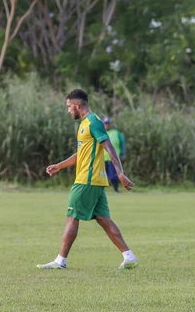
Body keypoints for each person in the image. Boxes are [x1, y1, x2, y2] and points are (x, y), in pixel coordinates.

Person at [37, 89, 139, 270]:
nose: (68, 110)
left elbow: (109, 148)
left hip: (87, 179)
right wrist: (59, 165)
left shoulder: (93, 122)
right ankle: (129, 256)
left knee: (71, 217)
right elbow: (82, 153)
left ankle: (60, 261)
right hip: (95, 181)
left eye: (69, 107)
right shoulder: (85, 123)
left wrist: (120, 173)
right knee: (103, 219)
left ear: (77, 105)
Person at [102, 117, 126, 192]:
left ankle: (116, 189)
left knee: (114, 176)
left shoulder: (116, 133)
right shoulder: (100, 132)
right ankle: (100, 190)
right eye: (105, 124)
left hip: (113, 158)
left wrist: (122, 153)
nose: (107, 125)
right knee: (101, 175)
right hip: (102, 158)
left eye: (108, 123)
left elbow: (122, 143)